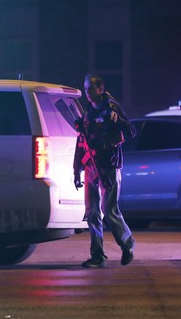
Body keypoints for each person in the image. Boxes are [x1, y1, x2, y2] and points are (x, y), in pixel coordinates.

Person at [73, 74, 136, 268]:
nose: (87, 93)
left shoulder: (112, 108)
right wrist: (77, 169)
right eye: (85, 89)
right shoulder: (87, 114)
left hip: (109, 166)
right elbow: (81, 142)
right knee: (92, 213)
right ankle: (97, 257)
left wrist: (118, 122)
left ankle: (127, 244)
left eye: (90, 89)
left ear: (100, 89)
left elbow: (132, 131)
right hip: (91, 167)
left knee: (109, 211)